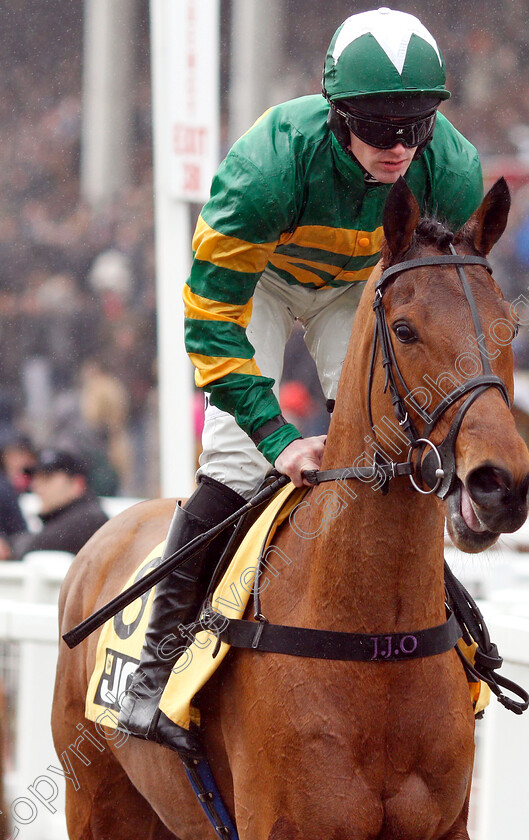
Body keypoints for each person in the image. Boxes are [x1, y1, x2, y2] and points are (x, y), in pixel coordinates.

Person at [119, 8, 484, 753]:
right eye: (379, 128)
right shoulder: (267, 168)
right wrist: (275, 436)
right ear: (337, 113)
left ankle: (454, 618)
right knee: (234, 462)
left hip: (359, 284)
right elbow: (210, 322)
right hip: (258, 282)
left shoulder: (451, 169)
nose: (398, 148)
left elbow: (444, 296)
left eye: (414, 127)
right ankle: (156, 663)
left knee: (399, 436)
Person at [12, 448, 108, 559]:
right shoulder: (76, 518)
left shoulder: (91, 520)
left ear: (77, 484)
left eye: (47, 478)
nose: (36, 487)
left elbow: (38, 545)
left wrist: (10, 547)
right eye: (35, 479)